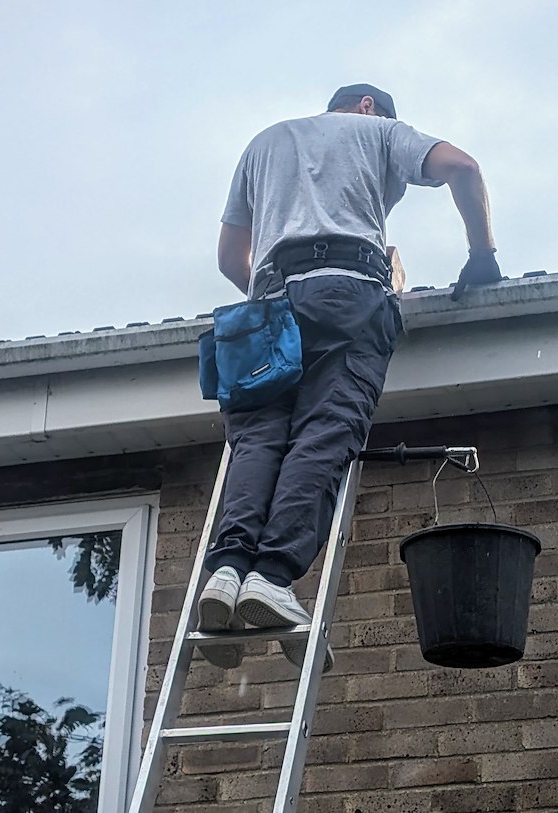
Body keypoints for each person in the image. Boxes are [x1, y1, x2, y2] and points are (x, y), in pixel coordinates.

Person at [197, 83, 501, 670]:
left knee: (258, 438)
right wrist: (481, 254)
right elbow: (463, 167)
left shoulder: (264, 143)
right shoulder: (379, 130)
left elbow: (229, 255)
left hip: (268, 304)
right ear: (367, 106)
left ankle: (229, 569)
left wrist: (276, 301)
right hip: (348, 291)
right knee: (325, 429)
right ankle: (271, 575)